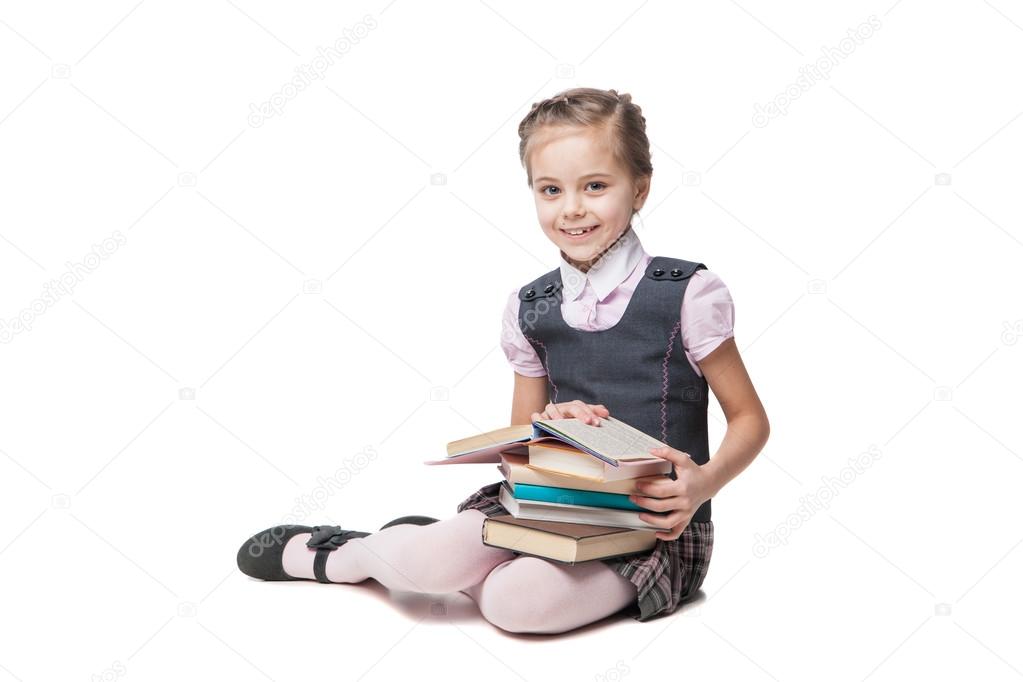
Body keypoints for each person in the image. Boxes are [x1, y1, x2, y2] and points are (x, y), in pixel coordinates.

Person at [236, 87, 770, 635]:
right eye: (551, 190)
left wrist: (701, 485)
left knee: (514, 606)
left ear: (640, 188)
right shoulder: (530, 306)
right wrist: (547, 427)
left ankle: (445, 553)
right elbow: (520, 438)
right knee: (424, 565)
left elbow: (751, 420)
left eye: (595, 186)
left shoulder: (686, 293)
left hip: (654, 532)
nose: (572, 208)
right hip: (549, 504)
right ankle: (345, 556)